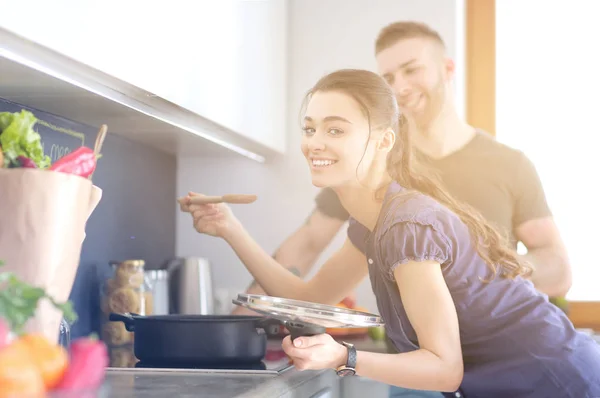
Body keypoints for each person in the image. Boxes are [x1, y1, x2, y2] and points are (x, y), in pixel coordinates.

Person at [181, 68, 600, 398]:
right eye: (310, 128)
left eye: (336, 129)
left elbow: (443, 366)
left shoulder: (405, 225)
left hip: (557, 381)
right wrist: (229, 227)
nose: (314, 143)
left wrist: (343, 357)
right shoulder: (372, 222)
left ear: (382, 141)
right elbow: (309, 301)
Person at [232, 20, 571, 317]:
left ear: (447, 69)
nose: (401, 87)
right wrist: (244, 312)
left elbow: (558, 269)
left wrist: (491, 267)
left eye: (412, 70)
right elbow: (307, 244)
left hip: (504, 360)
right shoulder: (372, 162)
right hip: (414, 367)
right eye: (389, 77)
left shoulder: (509, 164)